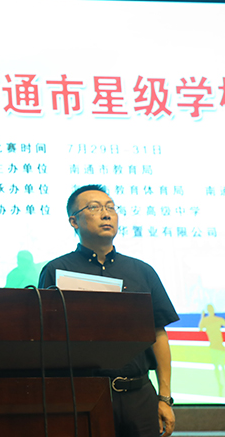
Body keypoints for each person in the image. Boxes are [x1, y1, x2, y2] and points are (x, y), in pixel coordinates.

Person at [38, 185, 179, 437]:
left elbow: (158, 334)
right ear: (74, 221)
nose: (106, 214)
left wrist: (164, 398)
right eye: (94, 208)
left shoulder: (141, 271)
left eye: (111, 207)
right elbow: (46, 340)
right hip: (83, 397)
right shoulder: (57, 270)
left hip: (139, 396)